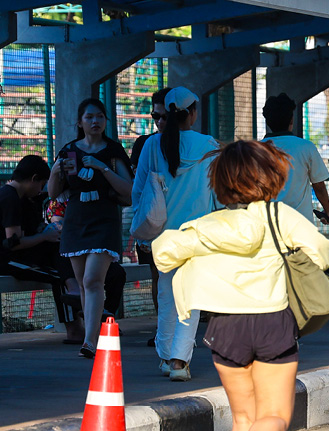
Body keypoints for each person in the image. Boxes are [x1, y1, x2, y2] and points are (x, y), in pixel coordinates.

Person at [153, 140, 329, 431]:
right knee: (275, 416)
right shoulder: (279, 215)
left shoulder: (208, 223)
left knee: (243, 416)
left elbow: (164, 252)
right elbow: (320, 252)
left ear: (220, 183)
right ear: (271, 176)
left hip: (225, 328)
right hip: (272, 322)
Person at [134, 86, 218, 381]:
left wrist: (142, 235)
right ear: (192, 113)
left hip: (162, 236)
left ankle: (166, 356)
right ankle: (179, 361)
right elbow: (219, 195)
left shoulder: (151, 145)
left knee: (167, 296)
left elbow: (139, 192)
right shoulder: (209, 145)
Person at [47, 98, 133, 358]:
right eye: (89, 117)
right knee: (84, 285)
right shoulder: (69, 151)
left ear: (106, 121)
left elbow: (128, 193)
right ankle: (90, 338)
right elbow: (54, 193)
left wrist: (103, 168)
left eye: (100, 117)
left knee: (92, 280)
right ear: (80, 122)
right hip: (76, 220)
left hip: (104, 220)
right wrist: (54, 172)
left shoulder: (114, 151)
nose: (95, 121)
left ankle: (90, 341)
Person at [1, 156, 81, 341]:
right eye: (42, 184)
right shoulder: (10, 198)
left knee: (61, 263)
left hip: (16, 256)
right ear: (34, 178)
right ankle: (74, 329)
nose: (40, 190)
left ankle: (78, 305)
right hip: (7, 260)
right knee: (60, 276)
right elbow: (14, 243)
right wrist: (44, 236)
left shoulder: (18, 197)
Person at [130, 87, 171, 342]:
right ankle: (162, 329)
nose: (159, 122)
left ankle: (178, 331)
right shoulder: (146, 145)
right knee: (158, 276)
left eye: (165, 116)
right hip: (155, 225)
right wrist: (143, 234)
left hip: (184, 225)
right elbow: (138, 189)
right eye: (155, 116)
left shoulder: (197, 144)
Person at [261, 92, 329, 225]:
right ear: (291, 120)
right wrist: (328, 212)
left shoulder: (256, 151)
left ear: (267, 120)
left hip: (268, 224)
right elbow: (319, 187)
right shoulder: (305, 147)